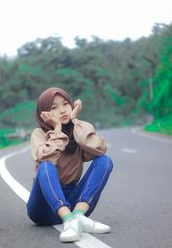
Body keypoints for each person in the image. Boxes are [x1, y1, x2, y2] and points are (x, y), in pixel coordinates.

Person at [27, 87, 113, 243]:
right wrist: (58, 129)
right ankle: (69, 219)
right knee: (45, 166)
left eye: (66, 104)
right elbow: (47, 157)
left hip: (74, 202)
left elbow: (99, 149)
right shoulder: (38, 134)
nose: (62, 110)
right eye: (54, 108)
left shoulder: (77, 132)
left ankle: (78, 216)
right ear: (44, 113)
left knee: (105, 160)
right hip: (42, 207)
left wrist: (74, 120)